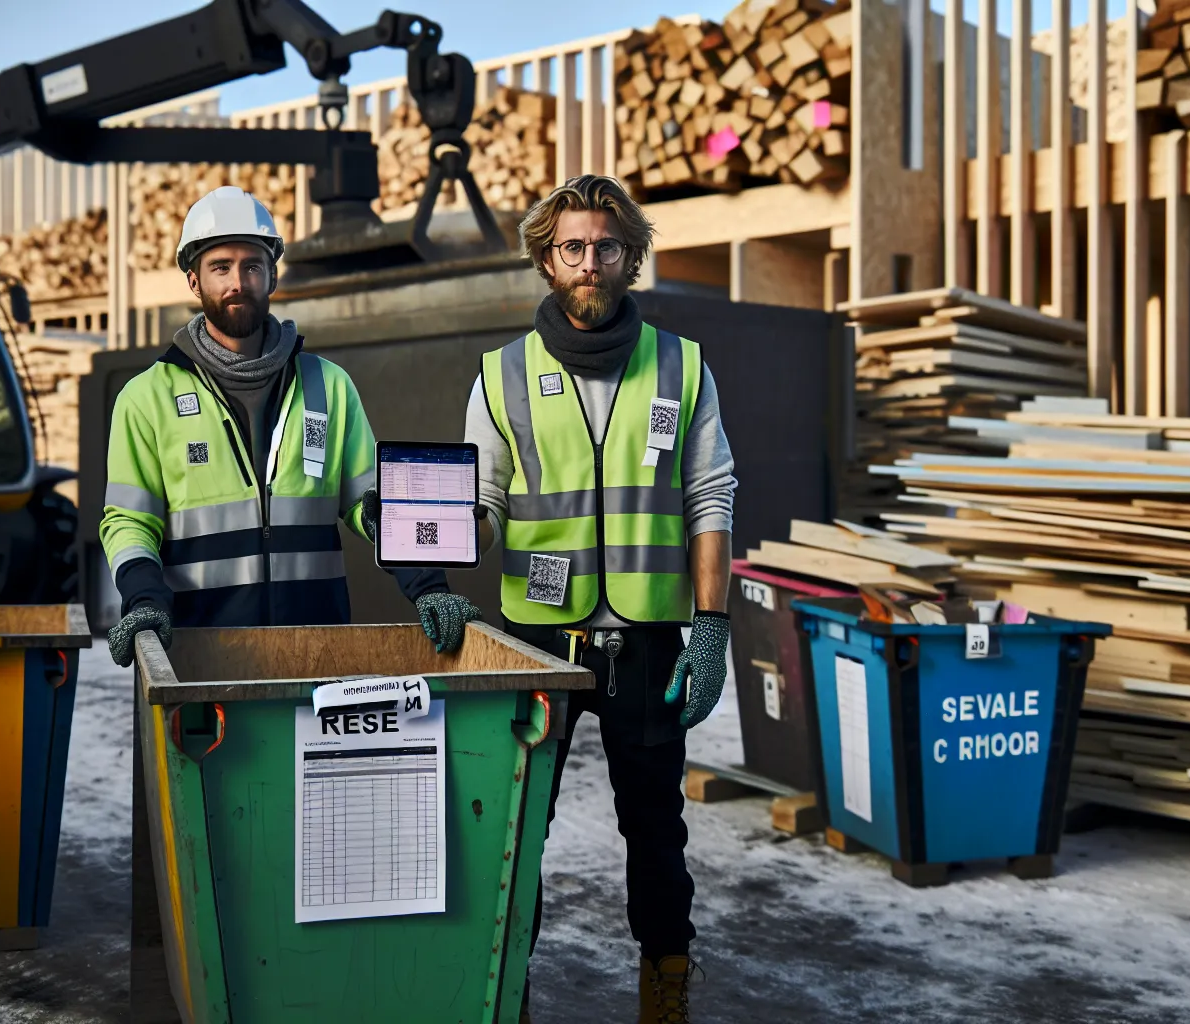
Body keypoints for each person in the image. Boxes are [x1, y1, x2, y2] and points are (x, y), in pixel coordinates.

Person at [463, 174, 736, 1024]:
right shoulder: (501, 374)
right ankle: (509, 996)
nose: (590, 263)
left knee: (657, 831)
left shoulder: (682, 367)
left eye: (607, 248)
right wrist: (432, 552)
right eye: (573, 248)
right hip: (537, 644)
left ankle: (666, 988)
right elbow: (483, 501)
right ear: (546, 259)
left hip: (650, 642)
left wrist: (712, 628)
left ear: (632, 258)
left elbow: (711, 497)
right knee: (516, 832)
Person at [101, 186, 481, 664]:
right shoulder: (145, 399)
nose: (238, 281)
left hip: (318, 652)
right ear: (194, 281)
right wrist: (142, 602)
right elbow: (129, 522)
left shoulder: (329, 386)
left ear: (272, 275)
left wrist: (429, 588)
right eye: (220, 267)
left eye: (252, 265)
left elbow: (376, 507)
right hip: (198, 655)